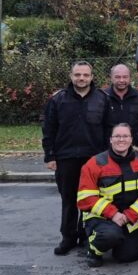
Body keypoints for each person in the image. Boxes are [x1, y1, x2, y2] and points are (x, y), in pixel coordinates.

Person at [43, 60, 110, 256]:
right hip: (66, 158)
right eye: (78, 75)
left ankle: (87, 235)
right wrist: (50, 156)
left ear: (92, 77)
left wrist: (107, 157)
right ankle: (68, 237)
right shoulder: (58, 100)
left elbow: (108, 130)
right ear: (71, 76)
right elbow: (49, 129)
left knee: (92, 200)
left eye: (85, 75)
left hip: (94, 159)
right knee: (69, 200)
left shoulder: (102, 99)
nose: (81, 78)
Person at [76, 123, 138, 267]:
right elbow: (85, 198)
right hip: (102, 218)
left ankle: (115, 240)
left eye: (125, 136)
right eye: (117, 136)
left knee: (128, 256)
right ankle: (94, 249)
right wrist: (113, 214)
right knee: (111, 235)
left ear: (131, 139)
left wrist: (131, 214)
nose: (121, 140)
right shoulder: (95, 163)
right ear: (110, 139)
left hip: (132, 219)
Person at [103, 63, 138, 151]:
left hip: (133, 147)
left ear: (130, 78)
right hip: (108, 149)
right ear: (111, 77)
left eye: (125, 77)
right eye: (117, 77)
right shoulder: (102, 96)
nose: (121, 80)